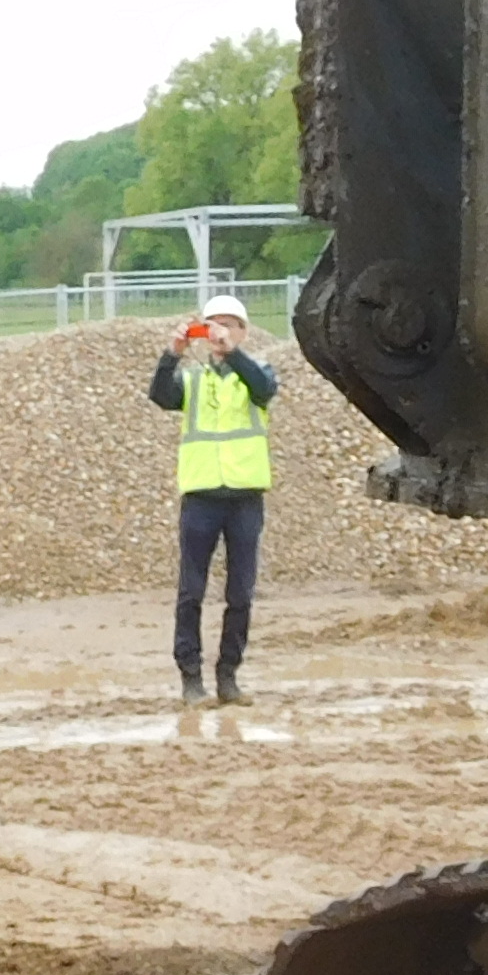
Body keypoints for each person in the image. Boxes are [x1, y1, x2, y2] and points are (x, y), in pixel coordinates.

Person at [149, 291, 276, 704]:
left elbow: (263, 389)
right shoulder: (193, 380)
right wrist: (173, 354)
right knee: (191, 591)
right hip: (202, 496)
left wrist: (232, 354)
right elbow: (160, 395)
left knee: (240, 593)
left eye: (228, 323)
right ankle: (190, 678)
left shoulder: (258, 371)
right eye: (213, 324)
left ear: (243, 330)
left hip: (244, 497)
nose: (219, 331)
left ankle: (228, 676)